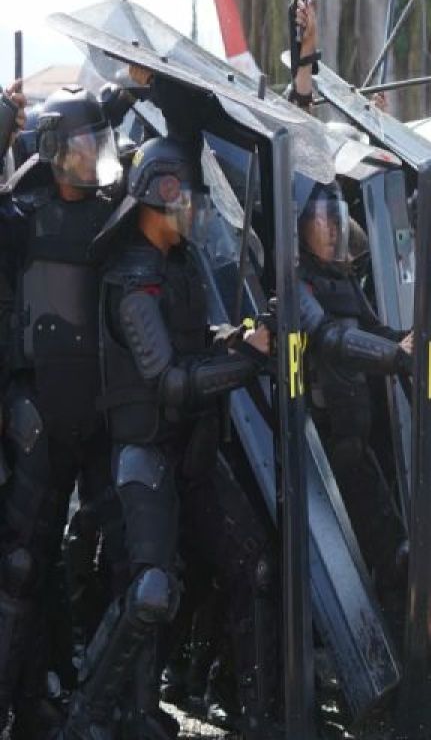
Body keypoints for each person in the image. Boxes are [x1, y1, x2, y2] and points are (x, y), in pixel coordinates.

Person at [59, 136, 277, 739]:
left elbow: (191, 343)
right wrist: (250, 362)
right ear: (163, 196)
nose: (194, 213)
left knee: (252, 563)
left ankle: (257, 716)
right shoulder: (132, 281)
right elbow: (169, 381)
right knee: (151, 588)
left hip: (188, 450)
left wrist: (234, 339)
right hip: (144, 454)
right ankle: (91, 719)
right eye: (186, 200)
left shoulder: (174, 268)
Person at [0, 85, 124, 737]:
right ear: (52, 148)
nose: (93, 155)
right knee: (24, 567)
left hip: (100, 419)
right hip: (37, 421)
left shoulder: (114, 215)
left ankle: (100, 701)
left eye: (98, 142)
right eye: (82, 144)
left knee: (130, 561)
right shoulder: (19, 215)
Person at [294, 176, 413, 635]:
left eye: (335, 219)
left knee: (393, 551)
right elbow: (333, 341)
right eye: (321, 219)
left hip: (353, 443)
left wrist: (412, 340)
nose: (330, 229)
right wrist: (393, 355)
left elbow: (376, 332)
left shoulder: (342, 281)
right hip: (318, 451)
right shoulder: (296, 283)